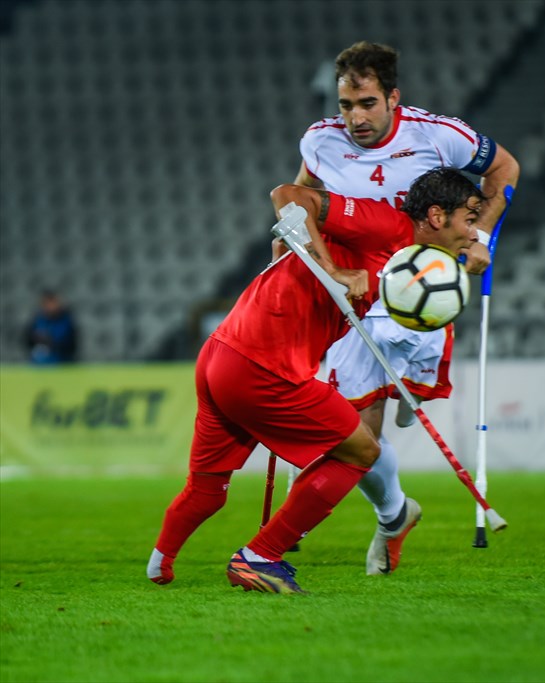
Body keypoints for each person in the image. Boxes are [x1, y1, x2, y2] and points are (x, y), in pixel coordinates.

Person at [147, 168, 482, 593]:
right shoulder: (387, 224)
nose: (474, 232)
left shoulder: (411, 262)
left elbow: (287, 239)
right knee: (360, 451)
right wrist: (332, 270)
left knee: (208, 487)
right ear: (437, 216)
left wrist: (297, 253)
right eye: (470, 219)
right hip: (263, 366)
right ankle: (261, 557)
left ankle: (159, 564)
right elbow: (288, 195)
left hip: (222, 353)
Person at [283, 41, 519, 575]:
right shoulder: (321, 142)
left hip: (421, 287)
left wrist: (479, 235)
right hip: (354, 294)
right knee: (355, 432)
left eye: (367, 103)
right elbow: (302, 194)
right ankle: (394, 514)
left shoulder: (438, 135)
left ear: (393, 97)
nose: (355, 117)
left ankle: (403, 402)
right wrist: (287, 241)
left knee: (364, 424)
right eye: (346, 105)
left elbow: (505, 167)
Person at [24, 290, 77, 364]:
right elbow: (28, 340)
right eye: (47, 303)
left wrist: (50, 340)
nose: (50, 306)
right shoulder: (38, 319)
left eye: (52, 302)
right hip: (39, 362)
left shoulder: (66, 320)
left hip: (62, 361)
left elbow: (70, 343)